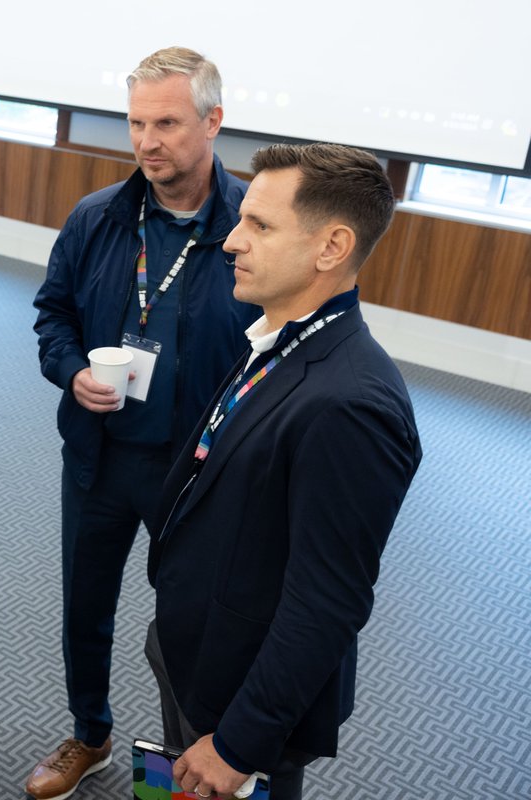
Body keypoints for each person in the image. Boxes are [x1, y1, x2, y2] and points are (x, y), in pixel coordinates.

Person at [145, 142, 423, 800]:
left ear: (331, 247)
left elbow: (326, 604)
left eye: (260, 226)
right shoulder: (283, 339)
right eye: (243, 218)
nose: (231, 241)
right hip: (198, 652)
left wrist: (242, 742)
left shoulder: (351, 404)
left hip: (241, 699)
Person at [27, 47, 257, 799]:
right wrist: (72, 372)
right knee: (84, 609)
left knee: (190, 629)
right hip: (100, 459)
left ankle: (188, 766)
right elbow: (52, 316)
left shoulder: (254, 227)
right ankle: (89, 735)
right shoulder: (97, 218)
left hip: (199, 471)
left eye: (166, 122)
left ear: (213, 121)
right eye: (135, 123)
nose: (146, 141)